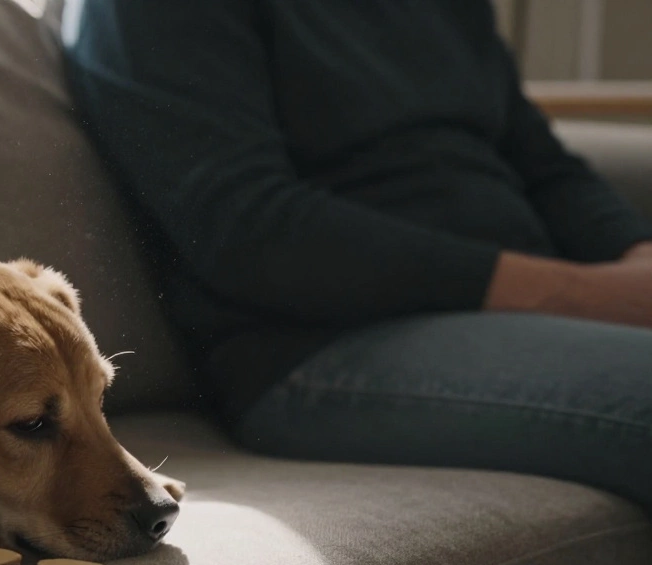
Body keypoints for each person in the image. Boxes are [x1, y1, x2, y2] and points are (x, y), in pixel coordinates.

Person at [61, 0, 652, 505]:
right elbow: (253, 234)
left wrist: (636, 258)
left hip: (516, 314)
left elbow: (543, 164)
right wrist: (579, 293)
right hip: (320, 345)